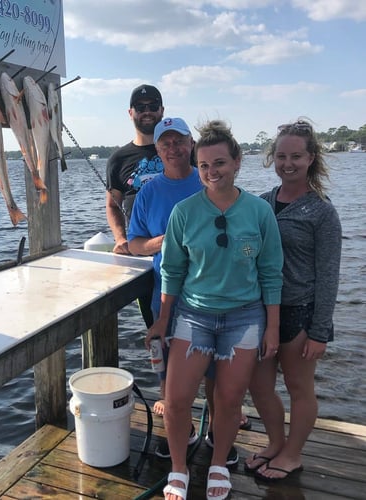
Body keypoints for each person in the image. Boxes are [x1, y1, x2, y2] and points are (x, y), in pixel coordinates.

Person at [146, 120, 283, 500]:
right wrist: (162, 319)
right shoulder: (184, 212)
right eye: (204, 165)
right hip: (194, 315)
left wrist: (272, 327)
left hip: (245, 317)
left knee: (228, 399)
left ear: (237, 162)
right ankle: (178, 467)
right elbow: (172, 270)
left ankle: (219, 463)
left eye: (219, 163)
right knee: (175, 399)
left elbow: (271, 273)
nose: (211, 172)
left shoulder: (259, 212)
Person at [127, 117, 248, 464]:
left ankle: (215, 432)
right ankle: (181, 431)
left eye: (179, 141)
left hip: (213, 292)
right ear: (157, 149)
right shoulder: (148, 192)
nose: (173, 148)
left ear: (191, 144)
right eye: (165, 143)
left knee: (215, 369)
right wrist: (162, 241)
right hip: (167, 292)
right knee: (170, 371)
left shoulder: (210, 178)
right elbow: (134, 244)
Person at [246, 119, 342, 482]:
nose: (288, 163)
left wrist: (320, 332)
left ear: (311, 158)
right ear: (273, 158)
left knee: (300, 389)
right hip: (261, 311)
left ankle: (293, 454)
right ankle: (275, 442)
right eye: (282, 156)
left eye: (296, 156)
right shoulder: (261, 203)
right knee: (258, 385)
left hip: (301, 313)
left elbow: (330, 274)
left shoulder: (322, 211)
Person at [105, 84, 164, 328]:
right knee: (156, 326)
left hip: (183, 251)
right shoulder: (119, 158)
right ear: (131, 113)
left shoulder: (178, 148)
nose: (147, 112)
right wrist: (120, 239)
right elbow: (112, 205)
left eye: (152, 107)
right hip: (141, 255)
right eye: (140, 107)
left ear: (162, 111)